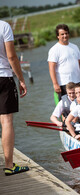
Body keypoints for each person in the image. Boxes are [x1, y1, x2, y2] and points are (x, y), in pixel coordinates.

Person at [0, 20, 29, 176]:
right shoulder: (4, 26)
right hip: (3, 77)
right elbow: (11, 56)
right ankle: (9, 165)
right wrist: (21, 79)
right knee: (6, 121)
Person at [48, 24, 80, 99]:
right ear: (58, 36)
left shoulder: (74, 47)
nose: (65, 36)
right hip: (64, 84)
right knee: (68, 109)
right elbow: (51, 68)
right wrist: (55, 84)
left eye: (66, 33)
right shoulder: (54, 50)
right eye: (62, 34)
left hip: (78, 82)